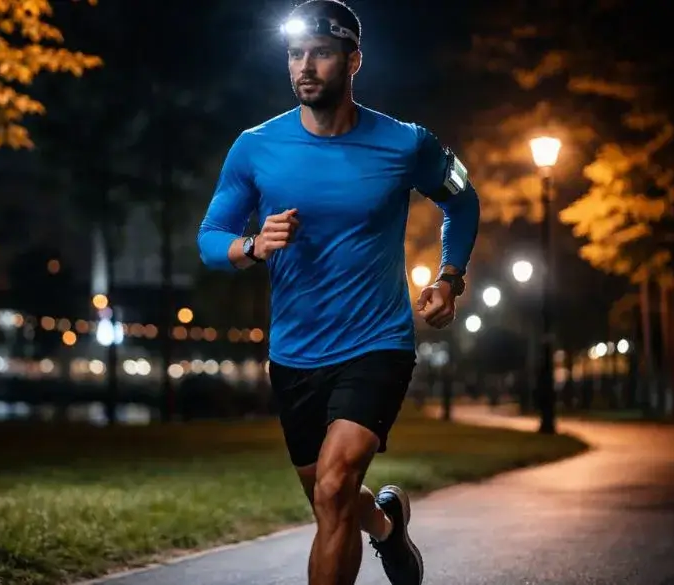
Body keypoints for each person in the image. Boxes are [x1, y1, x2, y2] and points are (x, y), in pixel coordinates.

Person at [196, 1, 480, 584]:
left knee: (332, 488)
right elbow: (209, 239)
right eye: (295, 54)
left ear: (353, 60)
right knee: (332, 498)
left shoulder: (406, 144)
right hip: (294, 353)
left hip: (377, 342)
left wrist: (450, 278)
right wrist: (252, 245)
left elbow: (462, 198)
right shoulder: (255, 147)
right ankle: (385, 526)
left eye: (320, 54)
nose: (304, 66)